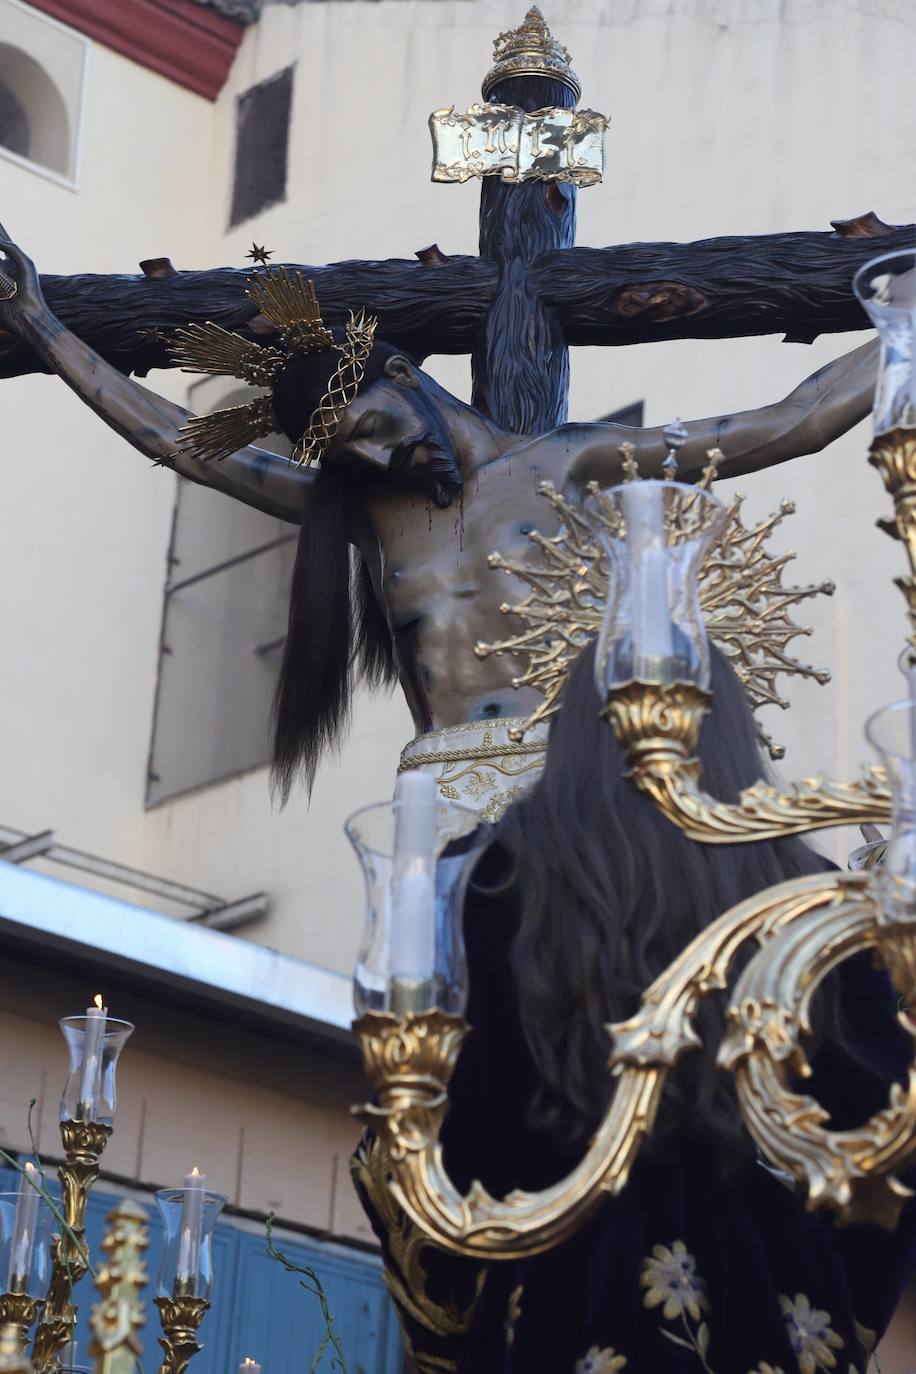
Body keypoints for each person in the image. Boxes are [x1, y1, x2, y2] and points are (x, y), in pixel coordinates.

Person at [0, 235, 879, 808]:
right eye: (354, 458)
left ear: (408, 380)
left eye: (375, 429)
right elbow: (181, 443)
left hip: (579, 773)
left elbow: (785, 423)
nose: (383, 463)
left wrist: (902, 328)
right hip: (443, 789)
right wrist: (41, 326)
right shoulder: (369, 516)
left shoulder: (566, 462)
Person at [353, 643, 916, 1374]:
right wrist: (830, 1296)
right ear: (732, 736)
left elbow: (444, 1144)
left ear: (574, 731)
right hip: (770, 1308)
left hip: (549, 1296)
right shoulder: (810, 898)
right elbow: (884, 1148)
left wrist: (460, 1322)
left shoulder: (483, 878)